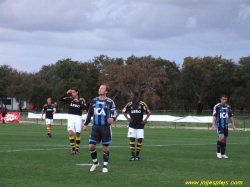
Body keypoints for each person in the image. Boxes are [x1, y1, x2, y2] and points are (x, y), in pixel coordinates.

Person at [83, 84, 117, 173]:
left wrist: (112, 118)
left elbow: (115, 113)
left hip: (106, 127)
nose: (100, 90)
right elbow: (89, 113)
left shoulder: (110, 102)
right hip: (95, 127)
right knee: (91, 146)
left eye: (102, 89)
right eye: (99, 88)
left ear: (106, 91)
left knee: (105, 147)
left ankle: (105, 166)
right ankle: (95, 163)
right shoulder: (94, 101)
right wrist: (86, 124)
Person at [122, 91, 151, 161]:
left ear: (136, 96)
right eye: (131, 96)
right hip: (132, 125)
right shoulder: (129, 104)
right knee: (132, 139)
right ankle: (133, 156)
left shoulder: (142, 104)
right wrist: (128, 119)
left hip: (140, 125)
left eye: (132, 96)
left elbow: (148, 113)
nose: (131, 97)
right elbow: (123, 111)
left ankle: (137, 156)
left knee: (140, 140)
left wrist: (145, 120)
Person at [59, 87, 86, 155]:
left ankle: (77, 149)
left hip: (78, 117)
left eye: (73, 92)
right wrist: (66, 93)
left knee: (78, 133)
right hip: (71, 117)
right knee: (71, 133)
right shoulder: (69, 99)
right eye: (72, 92)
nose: (72, 94)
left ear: (77, 92)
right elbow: (60, 99)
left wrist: (79, 102)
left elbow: (85, 108)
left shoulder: (81, 100)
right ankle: (73, 149)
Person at [211, 94, 236, 158]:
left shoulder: (228, 107)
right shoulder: (217, 106)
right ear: (221, 99)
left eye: (226, 99)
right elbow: (214, 116)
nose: (225, 101)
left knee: (224, 139)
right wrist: (213, 125)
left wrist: (233, 125)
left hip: (226, 125)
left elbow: (231, 116)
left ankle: (223, 153)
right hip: (219, 125)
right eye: (223, 99)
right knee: (221, 138)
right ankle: (218, 152)